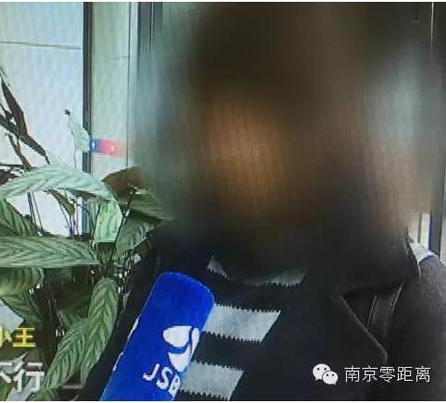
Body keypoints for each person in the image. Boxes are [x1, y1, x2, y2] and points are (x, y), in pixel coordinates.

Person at [85, 4, 446, 400]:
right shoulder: (171, 262)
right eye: (213, 98)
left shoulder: (409, 300)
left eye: (265, 102)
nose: (228, 135)